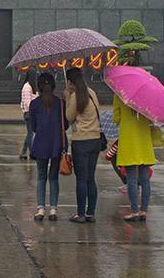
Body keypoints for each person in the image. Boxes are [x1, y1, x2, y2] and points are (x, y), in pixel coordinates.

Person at [65, 67, 101, 223]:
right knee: (90, 178)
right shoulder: (91, 92)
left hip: (81, 141)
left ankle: (80, 214)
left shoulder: (75, 96)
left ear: (70, 82)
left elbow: (69, 117)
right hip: (95, 140)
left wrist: (67, 97)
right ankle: (90, 213)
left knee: (81, 179)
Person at [28, 72, 64, 222]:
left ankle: (41, 209)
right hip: (56, 143)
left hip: (41, 143)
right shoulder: (60, 103)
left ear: (39, 86)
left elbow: (33, 127)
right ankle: (53, 209)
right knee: (54, 178)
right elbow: (65, 124)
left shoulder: (34, 104)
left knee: (41, 177)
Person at [114, 94, 155, 222]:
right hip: (144, 141)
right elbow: (152, 119)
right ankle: (144, 211)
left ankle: (134, 211)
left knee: (131, 179)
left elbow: (116, 118)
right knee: (145, 179)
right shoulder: (147, 96)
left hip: (129, 141)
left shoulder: (119, 95)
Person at [18, 72, 38, 160]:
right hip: (29, 113)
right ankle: (31, 152)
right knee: (30, 133)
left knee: (30, 133)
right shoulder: (27, 87)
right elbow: (27, 103)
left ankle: (23, 152)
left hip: (32, 112)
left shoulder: (32, 87)